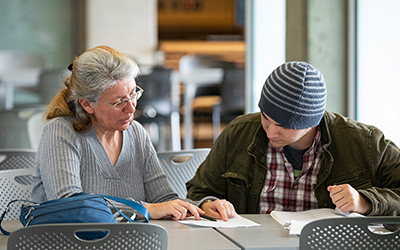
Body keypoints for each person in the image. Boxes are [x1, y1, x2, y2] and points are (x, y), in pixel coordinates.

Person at [31, 45, 233, 221]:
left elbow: (163, 200)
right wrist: (143, 209)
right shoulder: (61, 132)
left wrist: (203, 206)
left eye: (133, 93)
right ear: (87, 104)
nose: (131, 108)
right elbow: (68, 203)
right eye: (119, 101)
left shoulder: (135, 133)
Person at [187, 61, 400, 218]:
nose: (270, 133)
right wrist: (208, 203)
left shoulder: (365, 143)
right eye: (265, 118)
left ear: (312, 123)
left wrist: (366, 202)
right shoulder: (238, 132)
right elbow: (200, 190)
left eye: (283, 126)